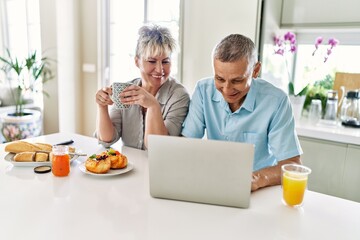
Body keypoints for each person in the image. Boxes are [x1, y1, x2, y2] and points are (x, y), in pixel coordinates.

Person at [181, 34, 302, 191]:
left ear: (255, 70)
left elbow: (292, 166)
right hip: (213, 184)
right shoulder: (203, 90)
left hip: (258, 190)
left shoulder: (276, 101)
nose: (227, 89)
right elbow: (184, 146)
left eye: (237, 81)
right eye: (219, 79)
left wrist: (256, 179)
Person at [95, 24, 190, 149]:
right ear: (137, 61)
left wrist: (153, 105)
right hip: (129, 166)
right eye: (152, 61)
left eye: (165, 61)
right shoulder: (125, 90)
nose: (160, 69)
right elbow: (106, 139)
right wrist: (102, 106)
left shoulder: (179, 96)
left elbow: (158, 148)